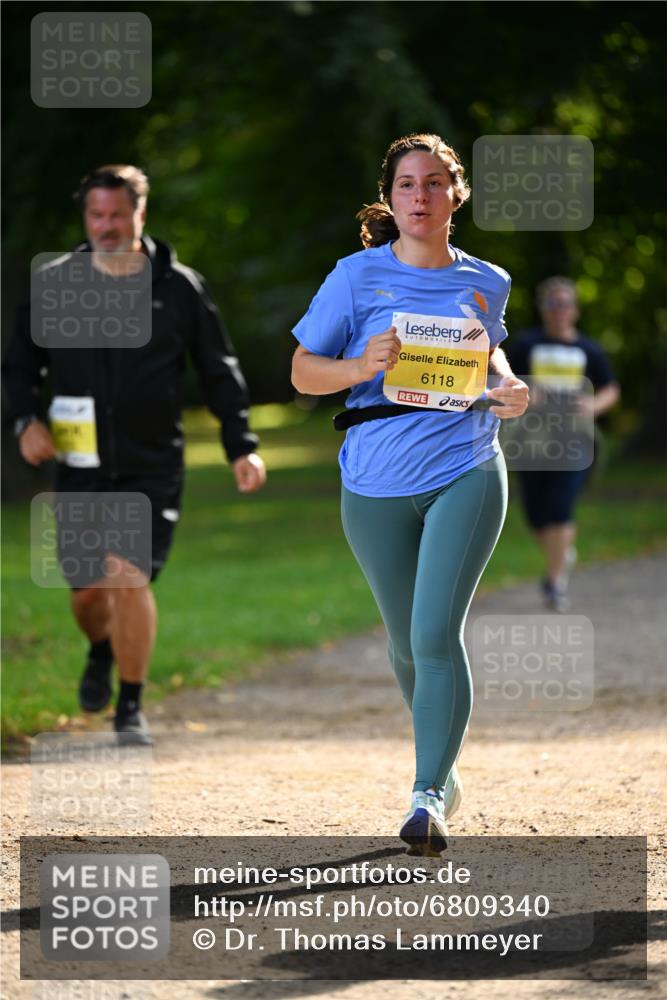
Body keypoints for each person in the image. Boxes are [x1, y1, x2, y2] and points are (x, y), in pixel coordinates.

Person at [291, 133, 528, 854]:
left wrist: (507, 385)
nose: (418, 197)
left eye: (432, 184)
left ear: (456, 195)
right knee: (403, 644)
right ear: (388, 199)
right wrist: (358, 362)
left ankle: (426, 794)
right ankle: (444, 765)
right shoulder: (355, 277)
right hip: (371, 479)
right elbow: (303, 373)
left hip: (464, 466)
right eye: (405, 185)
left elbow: (487, 350)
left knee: (432, 635)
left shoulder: (488, 280)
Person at [3, 164, 266, 744]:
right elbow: (21, 366)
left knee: (127, 573)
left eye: (117, 215)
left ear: (139, 213)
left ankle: (131, 707)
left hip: (152, 461)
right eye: (96, 215)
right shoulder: (56, 282)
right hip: (79, 463)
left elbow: (219, 370)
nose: (106, 226)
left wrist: (240, 445)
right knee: (87, 591)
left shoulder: (177, 287)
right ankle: (100, 648)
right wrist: (25, 421)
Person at [506, 277, 620, 612]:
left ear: (575, 310)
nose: (558, 311)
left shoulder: (590, 350)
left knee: (560, 507)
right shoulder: (526, 345)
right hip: (530, 441)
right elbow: (503, 377)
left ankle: (556, 582)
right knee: (536, 513)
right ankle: (561, 553)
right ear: (543, 309)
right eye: (552, 304)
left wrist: (593, 406)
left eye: (564, 304)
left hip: (573, 441)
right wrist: (526, 390)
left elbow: (611, 388)